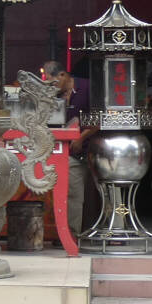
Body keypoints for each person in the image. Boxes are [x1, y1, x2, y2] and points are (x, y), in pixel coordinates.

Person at [42, 60, 95, 239]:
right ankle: (71, 236)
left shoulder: (87, 87)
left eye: (54, 82)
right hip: (69, 152)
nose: (52, 87)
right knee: (73, 193)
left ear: (63, 75)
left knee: (104, 193)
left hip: (93, 148)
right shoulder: (55, 95)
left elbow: (101, 118)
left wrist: (82, 137)